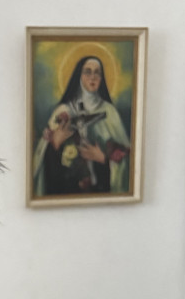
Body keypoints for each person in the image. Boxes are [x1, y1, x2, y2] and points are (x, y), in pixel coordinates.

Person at [32, 55, 131, 197]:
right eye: (87, 72)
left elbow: (128, 161)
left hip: (101, 190)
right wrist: (55, 144)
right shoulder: (63, 112)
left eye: (97, 73)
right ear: (79, 76)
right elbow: (42, 160)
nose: (93, 77)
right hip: (67, 189)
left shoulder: (110, 113)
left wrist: (103, 159)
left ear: (102, 78)